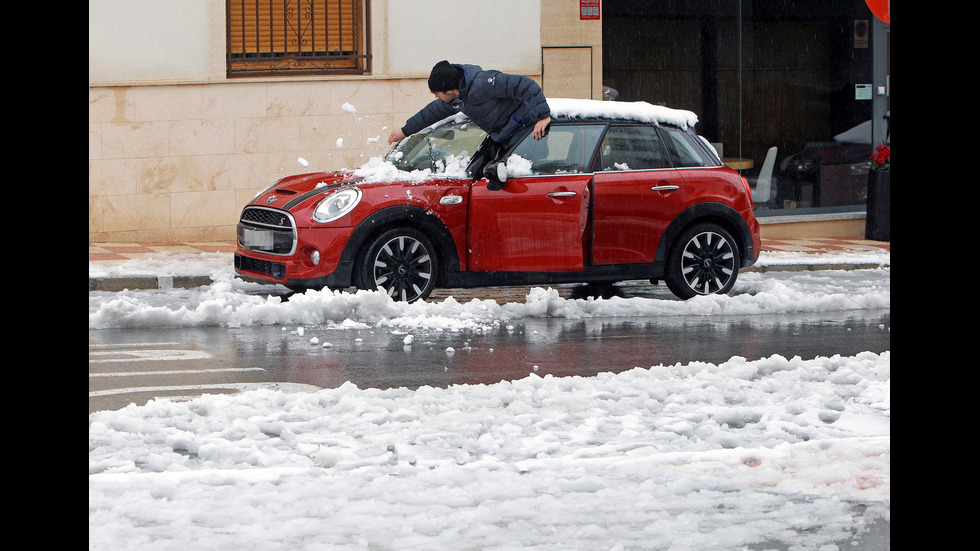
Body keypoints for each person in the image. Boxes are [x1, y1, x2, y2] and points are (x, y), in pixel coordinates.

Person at [387, 60, 552, 149]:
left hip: (526, 132)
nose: (436, 96)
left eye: (437, 93)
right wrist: (404, 131)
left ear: (449, 90)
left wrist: (543, 116)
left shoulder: (486, 83)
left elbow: (526, 85)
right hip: (503, 136)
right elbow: (430, 113)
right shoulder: (457, 100)